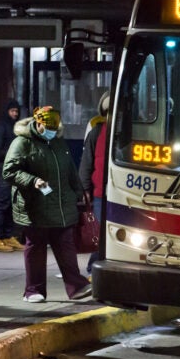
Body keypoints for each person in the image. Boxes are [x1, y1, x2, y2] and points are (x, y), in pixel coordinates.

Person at [2, 105, 93, 303]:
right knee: (36, 247)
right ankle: (33, 290)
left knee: (66, 246)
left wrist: (78, 193)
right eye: (47, 127)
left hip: (62, 205)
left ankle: (76, 286)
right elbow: (9, 171)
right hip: (35, 206)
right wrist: (32, 180)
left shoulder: (59, 143)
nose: (51, 131)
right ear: (38, 123)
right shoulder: (22, 142)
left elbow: (70, 170)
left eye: (55, 127)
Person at [79, 92, 110, 276]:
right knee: (99, 233)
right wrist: (85, 189)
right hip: (100, 193)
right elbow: (87, 162)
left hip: (118, 193)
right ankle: (93, 268)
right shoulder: (96, 132)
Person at [0, 99, 23, 252]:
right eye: (12, 111)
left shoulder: (15, 127)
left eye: (16, 111)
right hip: (4, 169)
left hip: (14, 169)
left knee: (11, 203)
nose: (15, 114)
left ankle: (8, 235)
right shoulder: (1, 127)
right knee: (2, 203)